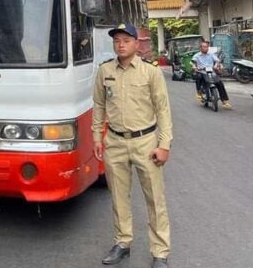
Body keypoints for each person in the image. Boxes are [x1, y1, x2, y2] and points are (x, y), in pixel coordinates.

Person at [93, 23, 173, 268]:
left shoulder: (151, 72)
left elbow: (163, 110)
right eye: (117, 40)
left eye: (126, 40)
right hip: (115, 142)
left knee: (154, 200)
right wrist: (97, 137)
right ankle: (123, 243)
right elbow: (98, 106)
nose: (120, 44)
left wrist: (164, 144)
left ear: (137, 44)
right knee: (118, 198)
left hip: (145, 142)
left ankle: (160, 252)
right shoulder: (105, 71)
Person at [191, 40, 232, 109]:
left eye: (206, 47)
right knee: (198, 76)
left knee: (219, 82)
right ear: (200, 48)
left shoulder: (211, 54)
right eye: (203, 47)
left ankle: (224, 102)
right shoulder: (197, 55)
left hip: (211, 71)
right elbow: (192, 62)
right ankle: (199, 92)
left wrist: (217, 65)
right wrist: (194, 66)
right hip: (202, 71)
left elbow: (217, 61)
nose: (205, 48)